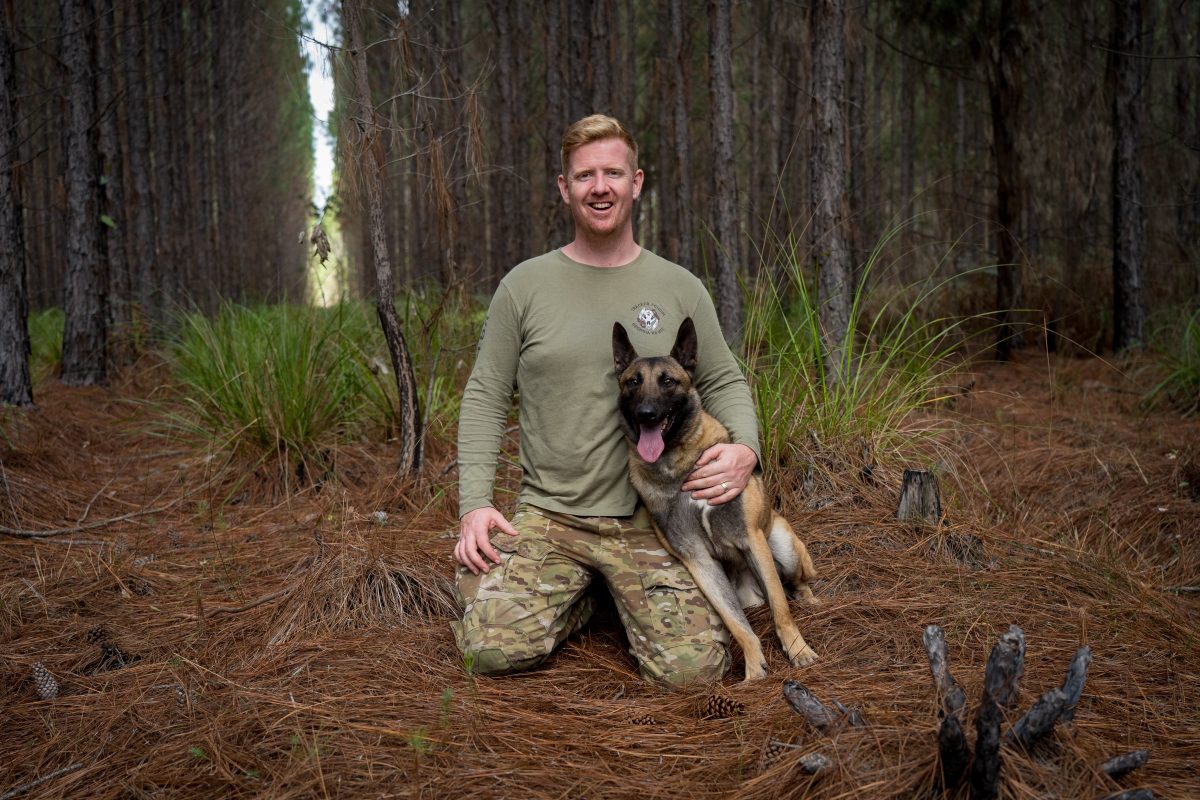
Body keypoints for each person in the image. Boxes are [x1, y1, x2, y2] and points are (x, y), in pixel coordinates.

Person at [452, 114, 761, 688]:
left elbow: (725, 381)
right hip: (550, 518)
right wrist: (474, 503)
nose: (600, 187)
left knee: (694, 675)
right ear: (564, 187)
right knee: (488, 652)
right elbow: (485, 394)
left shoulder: (679, 286)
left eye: (613, 173)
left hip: (656, 519)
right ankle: (580, 592)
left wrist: (745, 450)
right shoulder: (524, 286)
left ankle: (612, 592)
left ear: (636, 182)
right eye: (585, 175)